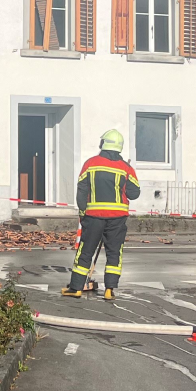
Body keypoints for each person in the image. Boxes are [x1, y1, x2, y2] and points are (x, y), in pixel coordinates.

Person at [62, 129, 140, 301]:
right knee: (114, 252)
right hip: (118, 218)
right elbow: (134, 194)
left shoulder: (90, 164)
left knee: (85, 251)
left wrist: (83, 212)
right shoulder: (126, 168)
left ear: (103, 144)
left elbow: (82, 190)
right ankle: (109, 290)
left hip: (93, 216)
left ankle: (76, 287)